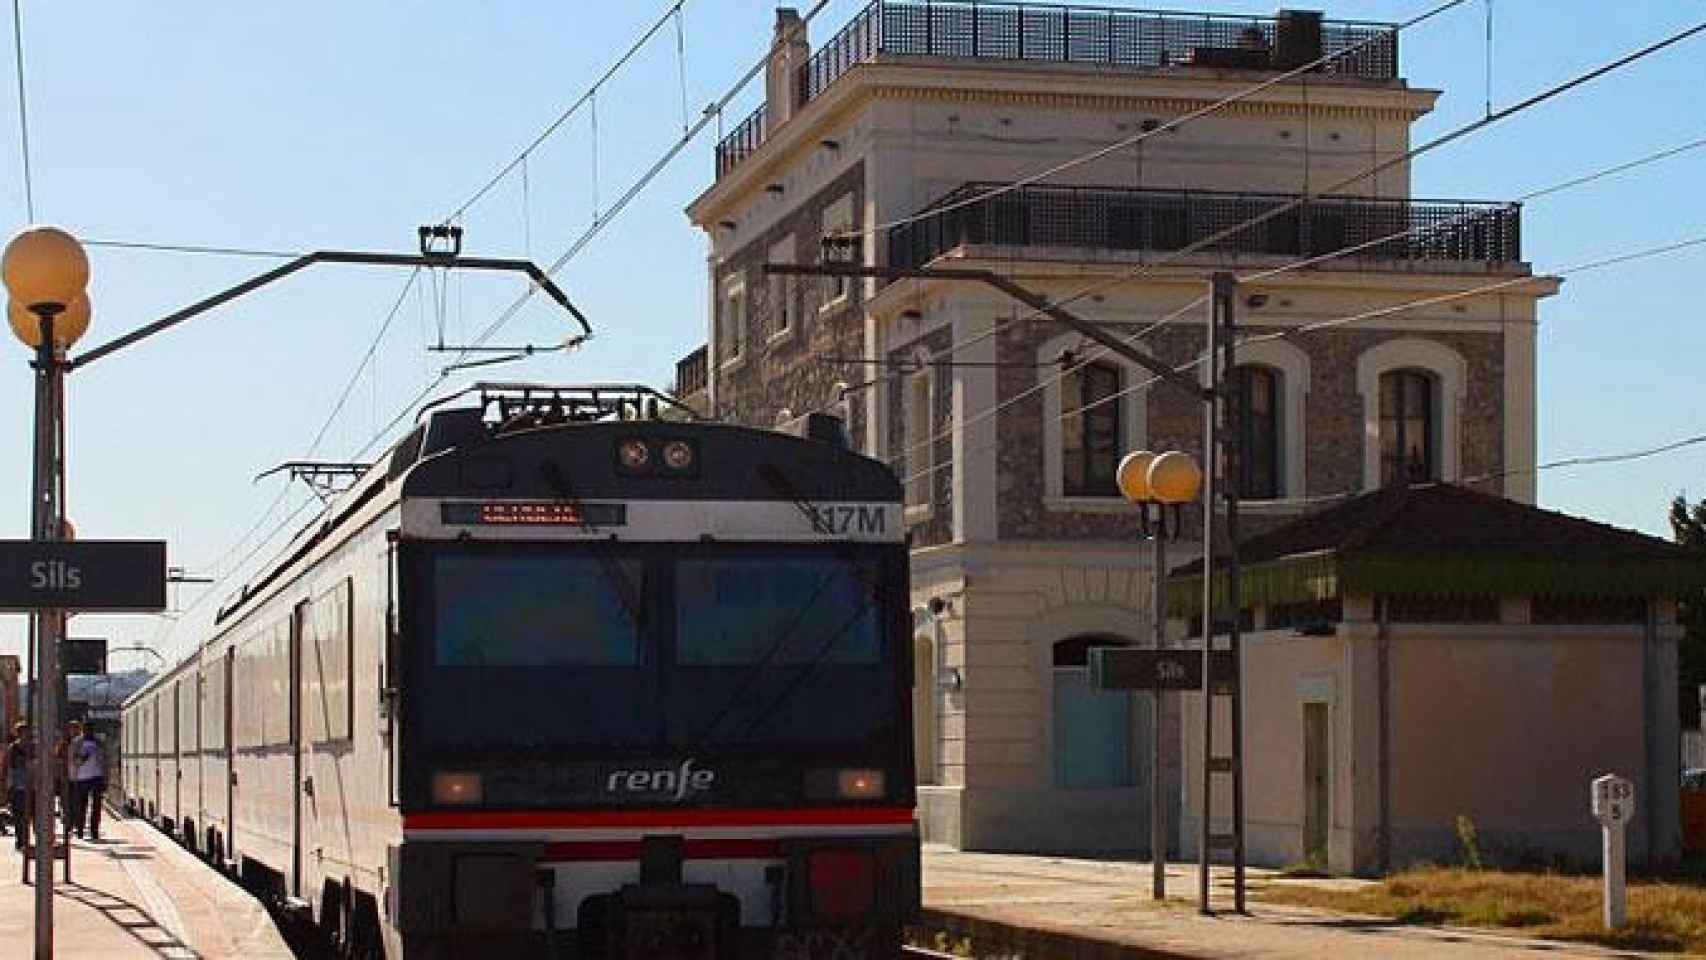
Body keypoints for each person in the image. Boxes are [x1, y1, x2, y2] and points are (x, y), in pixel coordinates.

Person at [68, 723, 105, 841]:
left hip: (97, 776)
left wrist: (105, 777)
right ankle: (80, 829)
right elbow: (72, 759)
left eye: (90, 729)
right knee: (81, 806)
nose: (88, 731)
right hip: (81, 778)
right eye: (86, 729)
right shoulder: (76, 742)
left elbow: (105, 760)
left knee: (97, 805)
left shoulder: (98, 742)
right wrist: (82, 759)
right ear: (83, 730)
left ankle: (94, 830)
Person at [2, 721, 34, 851]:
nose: (25, 735)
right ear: (19, 733)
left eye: (27, 732)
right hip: (16, 786)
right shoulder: (12, 748)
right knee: (18, 815)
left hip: (30, 786)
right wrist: (4, 784)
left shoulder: (33, 747)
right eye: (23, 732)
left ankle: (24, 839)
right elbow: (6, 766)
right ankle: (20, 840)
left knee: (27, 815)